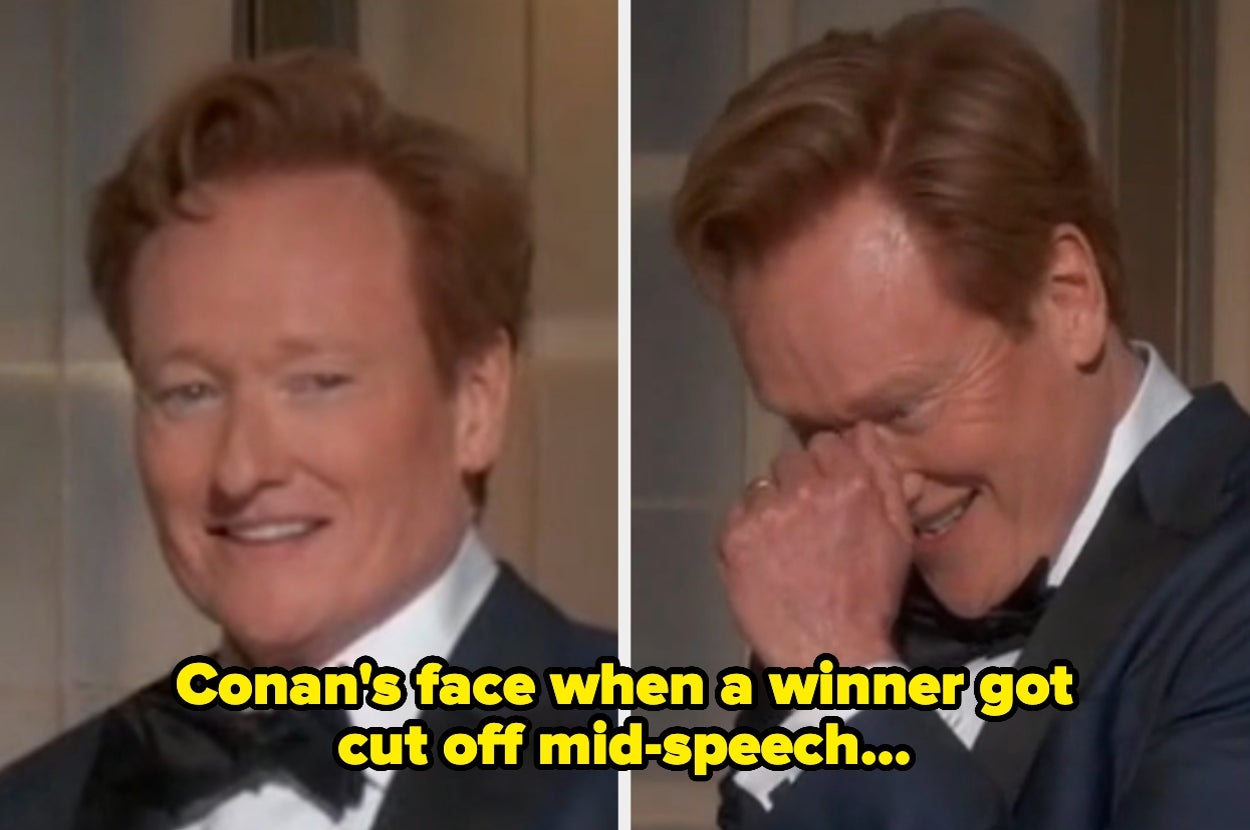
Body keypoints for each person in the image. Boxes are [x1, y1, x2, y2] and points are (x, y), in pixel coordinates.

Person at [0, 51, 614, 829]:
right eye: (190, 393)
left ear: (476, 402)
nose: (243, 467)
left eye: (317, 383)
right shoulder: (39, 806)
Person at [672, 8, 1250, 829]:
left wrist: (847, 679)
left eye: (904, 407)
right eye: (815, 431)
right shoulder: (838, 590)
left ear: (1068, 298)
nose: (870, 486)